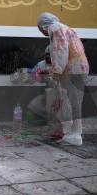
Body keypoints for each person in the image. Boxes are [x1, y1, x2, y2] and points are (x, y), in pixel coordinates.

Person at [37, 12, 89, 146]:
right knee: (75, 102)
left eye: (39, 28)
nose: (41, 32)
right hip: (80, 67)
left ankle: (74, 135)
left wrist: (56, 72)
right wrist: (51, 70)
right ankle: (75, 133)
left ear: (43, 25)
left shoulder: (54, 28)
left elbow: (61, 51)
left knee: (69, 102)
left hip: (72, 69)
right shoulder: (67, 28)